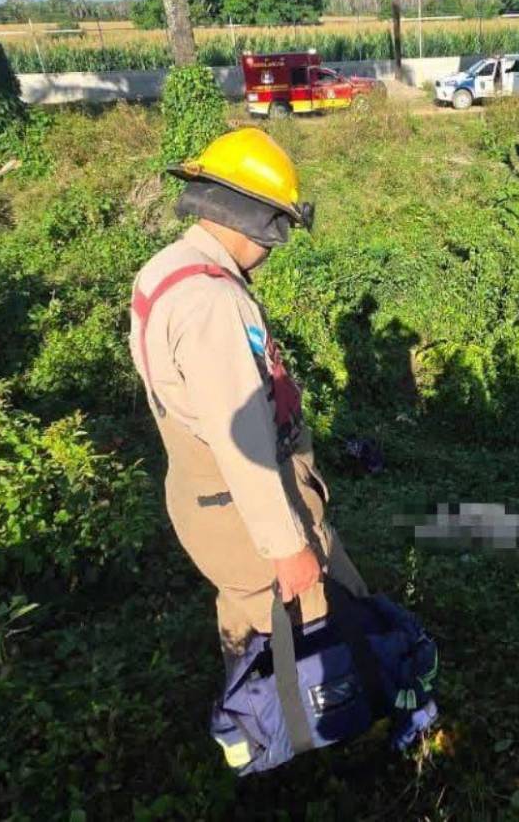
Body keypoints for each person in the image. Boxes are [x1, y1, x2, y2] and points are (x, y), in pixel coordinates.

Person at [128, 127, 367, 669]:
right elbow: (243, 442)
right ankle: (308, 719)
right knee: (328, 637)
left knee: (247, 628)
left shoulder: (167, 267)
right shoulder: (214, 305)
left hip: (207, 504)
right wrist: (289, 548)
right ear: (258, 220)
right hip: (246, 515)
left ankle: (247, 709)